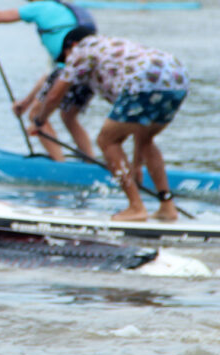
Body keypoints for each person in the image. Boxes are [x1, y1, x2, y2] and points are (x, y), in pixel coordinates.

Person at [29, 29, 189, 222]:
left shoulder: (81, 50)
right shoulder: (111, 44)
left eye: (65, 57)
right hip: (177, 77)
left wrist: (39, 120)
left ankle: (136, 208)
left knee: (107, 141)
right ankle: (167, 207)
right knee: (146, 139)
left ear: (71, 46)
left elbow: (54, 95)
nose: (66, 62)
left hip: (144, 81)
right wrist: (135, 165)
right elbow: (137, 132)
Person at [0, 0, 96, 161]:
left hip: (68, 72)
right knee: (69, 117)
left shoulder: (42, 6)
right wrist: (25, 102)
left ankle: (59, 165)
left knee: (36, 117)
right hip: (88, 72)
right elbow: (51, 74)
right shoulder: (68, 13)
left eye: (33, 0)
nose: (31, 4)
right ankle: (91, 162)